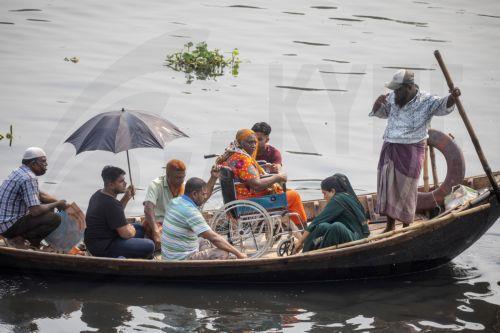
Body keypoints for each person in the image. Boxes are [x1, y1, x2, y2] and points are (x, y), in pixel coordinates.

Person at [370, 69, 461, 232]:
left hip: (411, 147)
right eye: (394, 90)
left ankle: (406, 225)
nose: (394, 93)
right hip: (390, 145)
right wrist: (378, 104)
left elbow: (442, 106)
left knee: (407, 187)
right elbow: (383, 113)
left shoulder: (426, 100)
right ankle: (390, 226)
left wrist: (452, 97)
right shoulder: (393, 98)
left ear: (409, 87)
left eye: (398, 90)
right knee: (387, 185)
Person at [216, 129, 307, 227]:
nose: (253, 145)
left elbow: (247, 173)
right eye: (249, 142)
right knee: (294, 196)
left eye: (255, 142)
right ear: (240, 142)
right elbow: (257, 185)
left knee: (285, 191)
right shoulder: (243, 159)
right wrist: (278, 177)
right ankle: (305, 232)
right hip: (250, 201)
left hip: (237, 199)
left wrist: (263, 169)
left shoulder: (231, 155)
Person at [162, 177, 247, 260]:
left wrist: (213, 177)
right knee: (222, 253)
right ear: (194, 194)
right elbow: (214, 238)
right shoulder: (190, 211)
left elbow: (209, 237)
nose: (205, 197)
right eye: (203, 194)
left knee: (203, 238)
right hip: (181, 259)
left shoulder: (175, 201)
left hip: (168, 255)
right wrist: (239, 254)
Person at [143, 159, 220, 248]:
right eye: (178, 177)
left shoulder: (183, 185)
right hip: (158, 222)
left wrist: (213, 178)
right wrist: (156, 231)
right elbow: (148, 208)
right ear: (168, 176)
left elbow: (202, 198)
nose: (181, 180)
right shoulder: (156, 185)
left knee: (200, 234)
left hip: (177, 223)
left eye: (183, 177)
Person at [0, 147, 66, 249]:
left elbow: (40, 195)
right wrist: (57, 204)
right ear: (33, 163)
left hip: (3, 222)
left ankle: (28, 240)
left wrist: (58, 202)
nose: (46, 165)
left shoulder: (19, 171)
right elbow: (35, 211)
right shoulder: (29, 178)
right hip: (8, 226)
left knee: (47, 206)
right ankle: (19, 239)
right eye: (43, 162)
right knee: (55, 218)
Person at [84, 166, 154, 258]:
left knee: (140, 229)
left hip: (94, 242)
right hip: (104, 247)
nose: (125, 183)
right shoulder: (111, 204)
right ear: (111, 184)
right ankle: (119, 256)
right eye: (121, 181)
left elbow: (115, 213)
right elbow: (125, 234)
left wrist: (126, 197)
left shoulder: (98, 194)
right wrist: (131, 231)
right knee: (150, 245)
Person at [293, 174, 370, 253]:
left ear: (332, 191)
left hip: (358, 239)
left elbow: (315, 222)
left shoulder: (337, 200)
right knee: (322, 226)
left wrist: (300, 242)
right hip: (353, 234)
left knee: (336, 227)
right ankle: (306, 252)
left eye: (325, 193)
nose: (324, 197)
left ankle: (316, 254)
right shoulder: (347, 196)